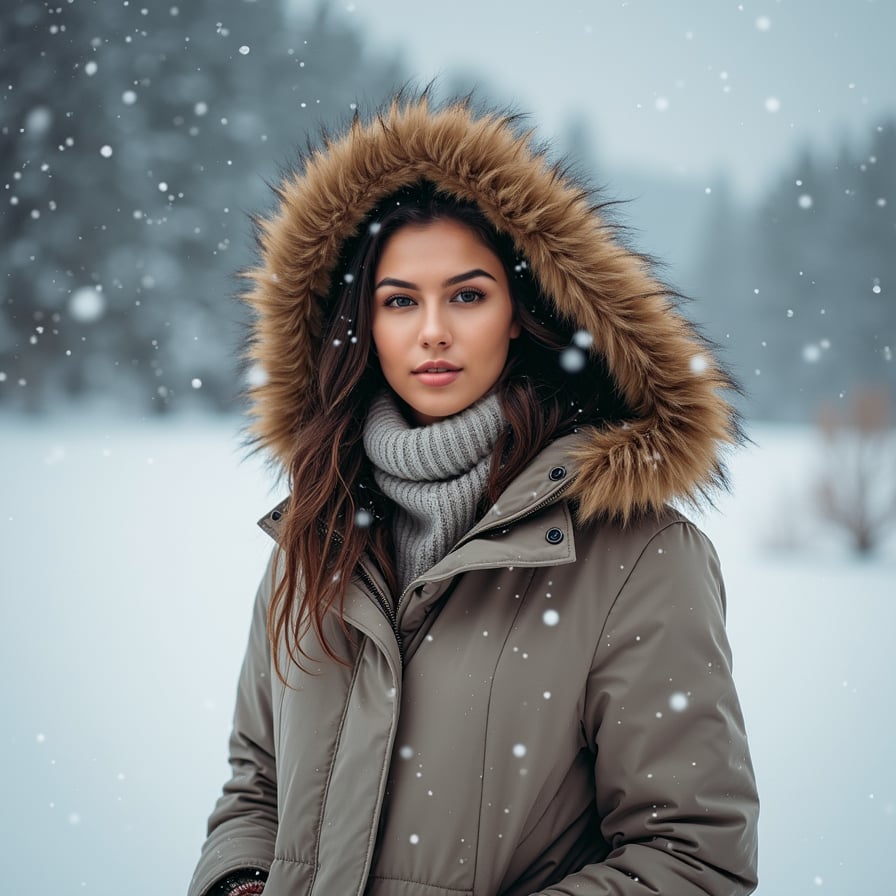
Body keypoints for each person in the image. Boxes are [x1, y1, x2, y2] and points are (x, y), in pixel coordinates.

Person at [188, 93, 759, 896]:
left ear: (520, 315)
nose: (432, 332)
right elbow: (256, 782)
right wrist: (238, 881)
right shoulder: (313, 531)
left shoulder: (638, 558)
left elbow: (691, 858)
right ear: (361, 325)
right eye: (398, 301)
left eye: (466, 295)